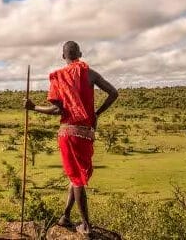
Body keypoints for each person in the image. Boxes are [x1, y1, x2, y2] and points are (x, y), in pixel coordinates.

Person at [24, 41, 118, 234]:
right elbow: (113, 93)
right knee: (75, 176)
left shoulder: (58, 76)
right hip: (86, 133)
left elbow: (58, 110)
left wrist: (33, 108)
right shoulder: (91, 73)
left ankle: (86, 225)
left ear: (63, 56)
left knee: (76, 178)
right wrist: (96, 114)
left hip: (68, 132)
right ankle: (66, 216)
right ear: (80, 54)